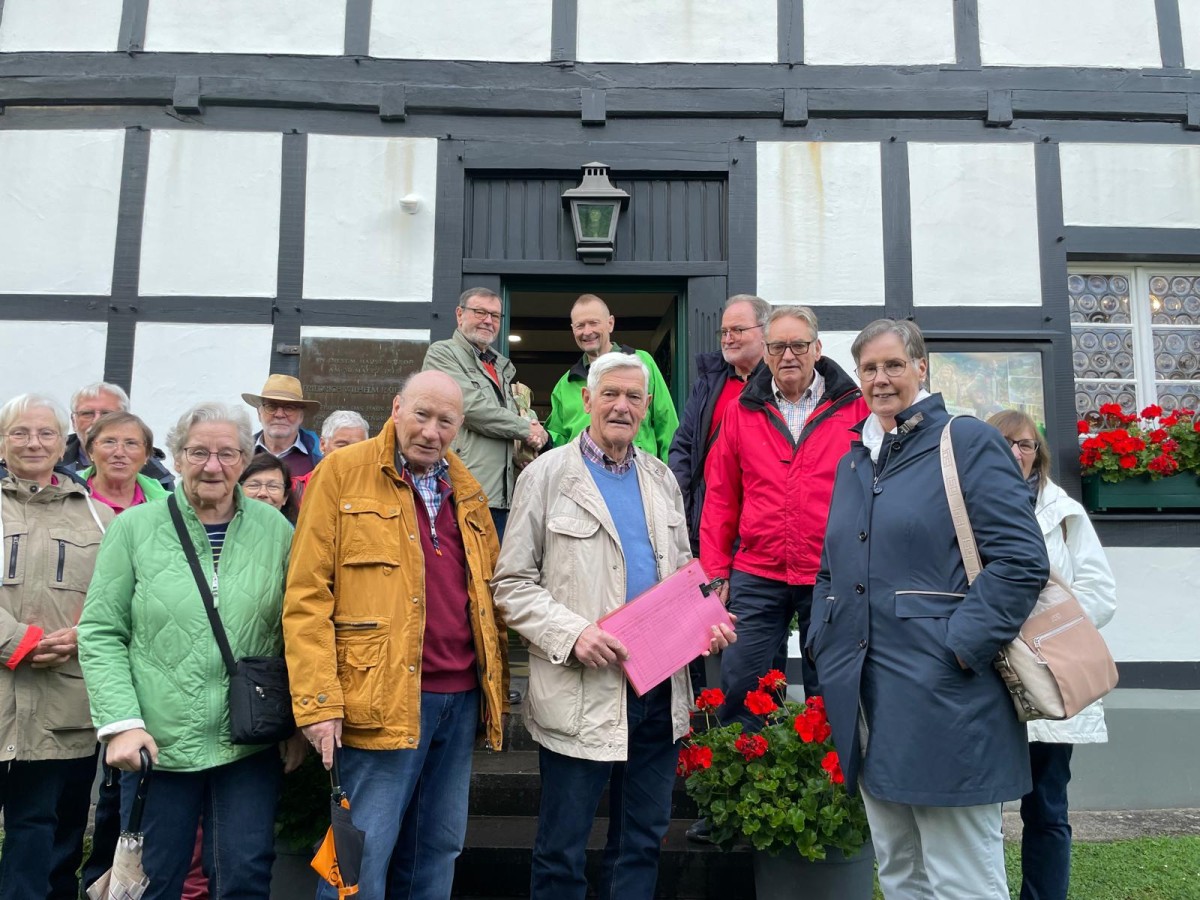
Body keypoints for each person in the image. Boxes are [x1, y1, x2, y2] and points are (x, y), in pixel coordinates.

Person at [809, 319, 1049, 900]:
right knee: (899, 872)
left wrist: (958, 647)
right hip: (870, 700)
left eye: (894, 365)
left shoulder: (965, 442)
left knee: (962, 879)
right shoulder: (855, 460)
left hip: (948, 698)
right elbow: (830, 567)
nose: (880, 378)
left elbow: (1021, 561)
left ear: (921, 368)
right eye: (869, 368)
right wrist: (822, 634)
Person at [492, 352, 735, 900]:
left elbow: (683, 576)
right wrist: (571, 632)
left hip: (657, 687)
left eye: (633, 397)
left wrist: (707, 619)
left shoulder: (662, 478)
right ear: (587, 401)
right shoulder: (546, 476)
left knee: (642, 841)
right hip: (582, 692)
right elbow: (509, 585)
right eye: (610, 395)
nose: (622, 406)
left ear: (647, 406)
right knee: (562, 849)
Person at [284, 370, 509, 900]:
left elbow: (489, 590)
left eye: (445, 421)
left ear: (460, 426)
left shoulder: (468, 488)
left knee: (436, 850)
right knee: (359, 858)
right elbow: (306, 596)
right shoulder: (341, 473)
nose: (431, 431)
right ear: (396, 408)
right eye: (422, 415)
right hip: (377, 696)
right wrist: (319, 702)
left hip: (459, 699)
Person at [78, 402, 301, 900]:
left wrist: (299, 722)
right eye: (199, 452)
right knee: (154, 882)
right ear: (177, 458)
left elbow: (297, 631)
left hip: (249, 742)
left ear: (246, 459)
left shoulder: (276, 532)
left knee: (245, 877)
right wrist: (121, 722)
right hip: (157, 744)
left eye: (227, 453)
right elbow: (100, 632)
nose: (213, 465)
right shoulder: (134, 529)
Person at [700, 305, 867, 712]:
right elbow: (720, 495)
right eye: (778, 346)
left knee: (828, 686)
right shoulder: (741, 410)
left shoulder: (855, 409)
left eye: (798, 345)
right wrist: (716, 572)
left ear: (818, 348)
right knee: (742, 684)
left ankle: (830, 774)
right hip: (757, 570)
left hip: (830, 570)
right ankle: (747, 771)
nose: (788, 355)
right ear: (767, 352)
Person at [987, 410, 1118, 900]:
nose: (1014, 453)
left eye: (1023, 445)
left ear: (1037, 452)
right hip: (988, 682)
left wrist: (1035, 638)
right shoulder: (966, 508)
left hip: (1049, 680)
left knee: (1046, 807)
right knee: (983, 812)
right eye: (1002, 444)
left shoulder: (1064, 512)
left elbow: (1100, 594)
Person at [0, 394, 113, 900]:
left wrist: (84, 634)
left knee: (36, 829)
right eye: (20, 432)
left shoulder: (99, 518)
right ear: (3, 442)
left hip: (57, 702)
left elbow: (120, 601)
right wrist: (15, 641)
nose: (33, 443)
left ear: (61, 442)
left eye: (45, 433)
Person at [51, 411, 167, 898]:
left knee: (122, 801)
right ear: (88, 448)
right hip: (68, 665)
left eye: (132, 444)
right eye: (109, 442)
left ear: (147, 454)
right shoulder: (69, 501)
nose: (120, 452)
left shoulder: (167, 503)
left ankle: (108, 884)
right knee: (70, 793)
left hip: (139, 669)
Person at [667, 294, 769, 706]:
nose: (728, 338)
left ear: (764, 333)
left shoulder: (777, 382)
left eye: (738, 330)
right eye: (724, 330)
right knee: (695, 630)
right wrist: (679, 503)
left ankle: (743, 726)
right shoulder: (710, 381)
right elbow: (684, 446)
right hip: (701, 526)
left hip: (752, 534)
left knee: (746, 640)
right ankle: (695, 720)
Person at [422, 287, 548, 538]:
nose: (488, 321)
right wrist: (527, 429)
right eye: (479, 312)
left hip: (504, 498)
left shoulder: (501, 367)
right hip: (461, 492)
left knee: (495, 575)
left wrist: (531, 441)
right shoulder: (442, 353)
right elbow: (470, 407)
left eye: (495, 315)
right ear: (460, 315)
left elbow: (515, 415)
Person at [546, 294, 679, 462]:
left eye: (594, 323)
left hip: (639, 477)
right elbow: (558, 442)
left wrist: (670, 479)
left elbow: (667, 424)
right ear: (573, 329)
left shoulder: (642, 363)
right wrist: (536, 434)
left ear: (610, 324)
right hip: (583, 482)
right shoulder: (565, 384)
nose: (587, 332)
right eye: (580, 326)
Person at [59, 382, 175, 491]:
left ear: (126, 420)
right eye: (87, 414)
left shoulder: (156, 476)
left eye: (107, 414)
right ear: (73, 421)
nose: (96, 421)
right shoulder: (50, 463)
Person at [241, 374, 324, 479]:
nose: (279, 414)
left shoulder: (320, 456)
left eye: (289, 407)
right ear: (259, 413)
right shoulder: (240, 452)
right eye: (271, 406)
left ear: (301, 416)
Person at [290, 409, 370, 505]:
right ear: (323, 445)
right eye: (342, 445)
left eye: (357, 447)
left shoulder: (378, 488)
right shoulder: (296, 489)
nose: (350, 452)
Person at [240, 453, 300, 524]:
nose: (263, 493)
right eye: (254, 485)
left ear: (285, 497)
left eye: (273, 486)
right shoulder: (225, 532)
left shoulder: (297, 534)